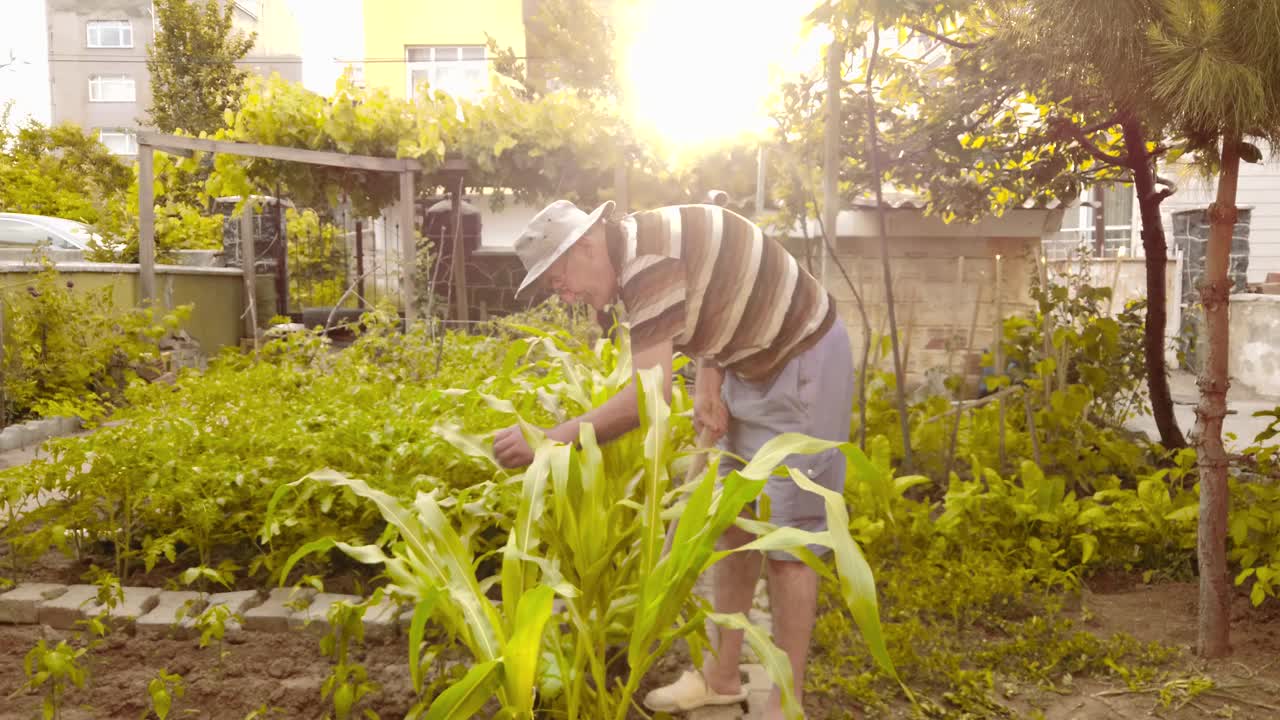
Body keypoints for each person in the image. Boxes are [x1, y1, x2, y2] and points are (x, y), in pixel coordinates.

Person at [493, 199, 854, 719]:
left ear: (587, 246)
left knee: (789, 540)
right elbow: (717, 286)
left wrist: (549, 441)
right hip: (745, 365)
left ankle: (785, 702)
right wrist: (710, 375)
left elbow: (649, 397)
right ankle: (720, 678)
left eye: (558, 279)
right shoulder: (641, 248)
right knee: (732, 524)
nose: (564, 294)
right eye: (554, 287)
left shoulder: (646, 265)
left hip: (801, 360)